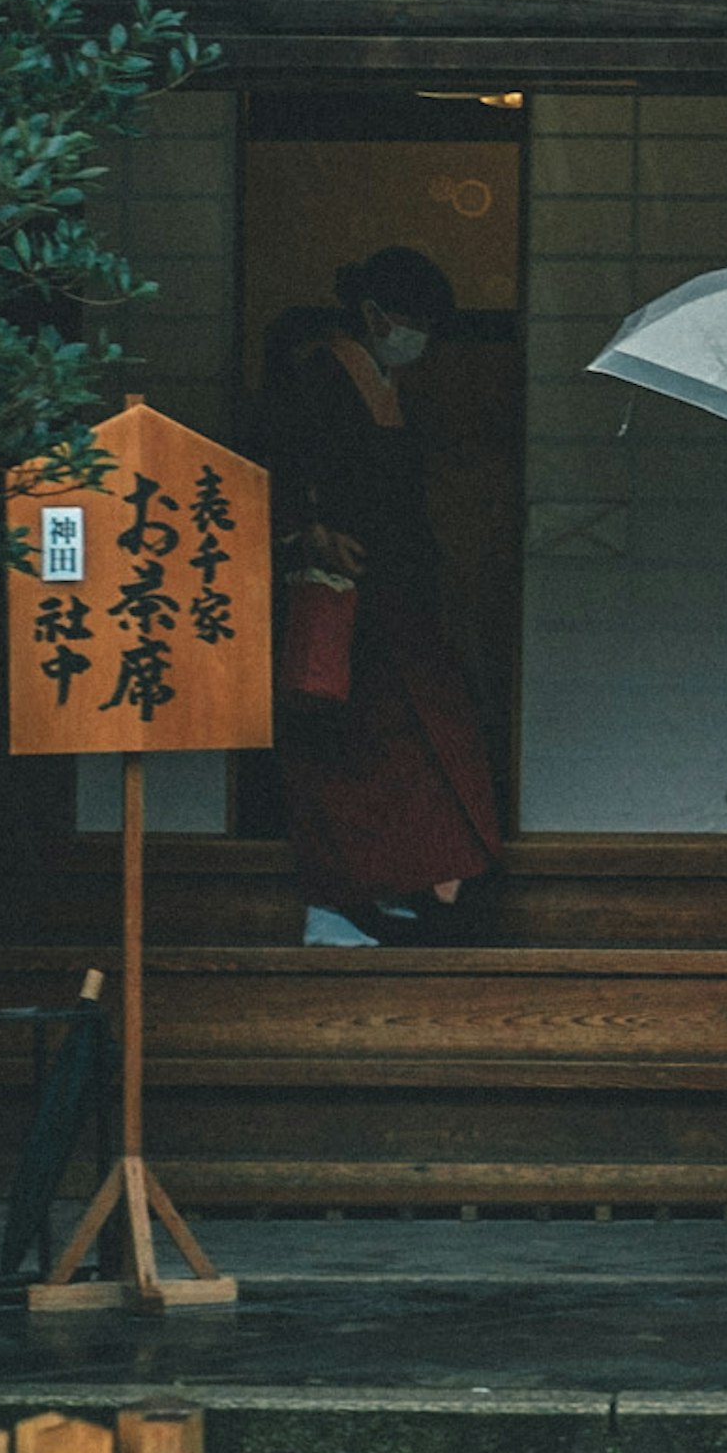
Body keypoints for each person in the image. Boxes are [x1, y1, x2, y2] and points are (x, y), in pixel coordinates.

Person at [251, 248, 502, 940]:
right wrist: (312, 532)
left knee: (419, 741)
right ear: (373, 315)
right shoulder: (316, 377)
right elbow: (271, 474)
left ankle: (404, 886)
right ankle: (340, 898)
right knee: (346, 748)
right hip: (337, 598)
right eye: (411, 322)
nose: (418, 337)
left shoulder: (385, 382)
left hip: (398, 595)